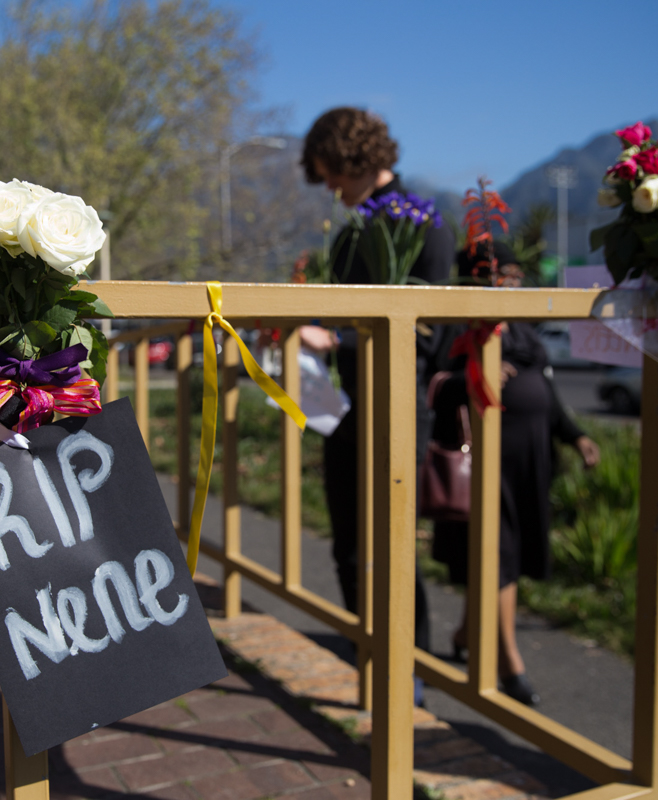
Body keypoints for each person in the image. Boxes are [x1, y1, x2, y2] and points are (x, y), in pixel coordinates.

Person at [297, 108, 455, 701]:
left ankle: (407, 671)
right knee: (347, 541)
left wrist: (334, 337)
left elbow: (430, 332)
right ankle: (372, 653)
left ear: (351, 158)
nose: (331, 190)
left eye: (331, 175)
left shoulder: (427, 225)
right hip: (346, 405)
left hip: (398, 406)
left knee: (390, 542)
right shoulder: (351, 232)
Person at [431, 243, 600, 706]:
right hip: (486, 465)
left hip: (529, 462)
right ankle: (508, 661)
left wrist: (575, 435)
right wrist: (473, 377)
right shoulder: (458, 325)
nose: (513, 282)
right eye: (503, 274)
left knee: (509, 555)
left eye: (516, 274)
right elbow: (433, 385)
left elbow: (545, 388)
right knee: (498, 556)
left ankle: (467, 632)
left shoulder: (523, 328)